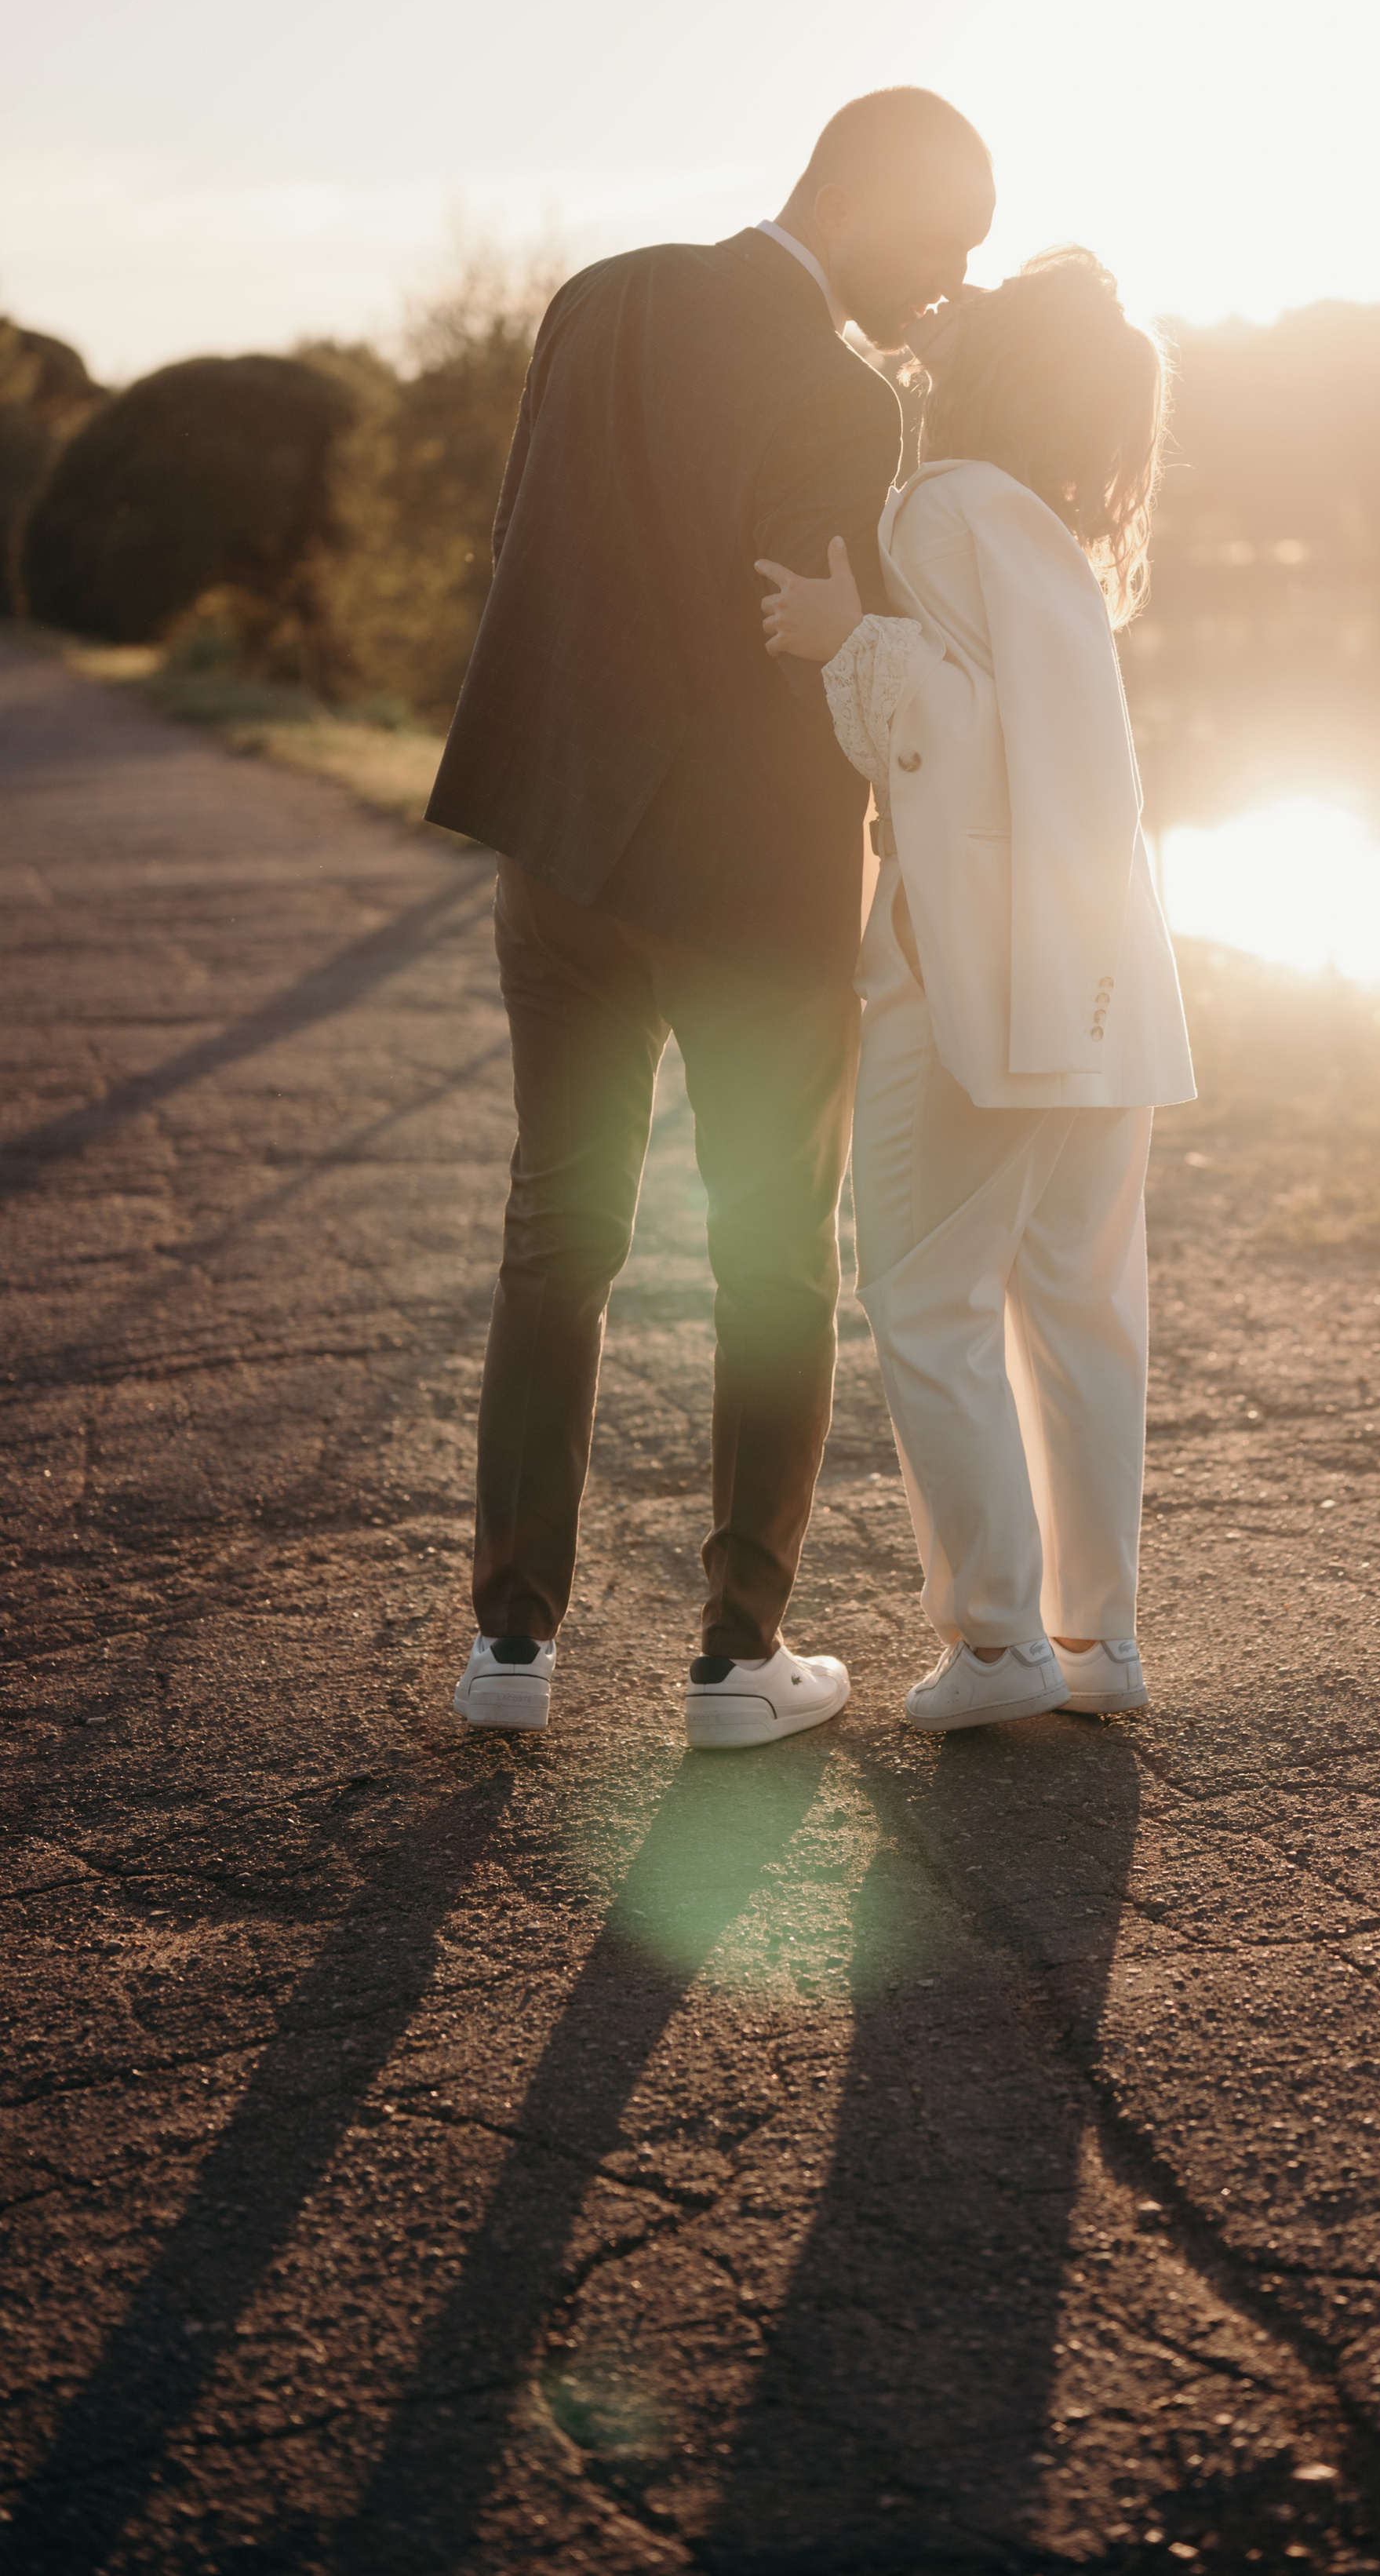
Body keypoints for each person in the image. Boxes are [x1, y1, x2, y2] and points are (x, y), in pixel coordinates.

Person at [431, 88, 996, 1744]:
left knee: (559, 1227)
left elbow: (521, 546)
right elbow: (799, 642)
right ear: (869, 201)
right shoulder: (835, 391)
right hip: (745, 891)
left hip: (558, 854)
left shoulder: (592, 300)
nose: (950, 283)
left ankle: (509, 1652)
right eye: (946, 242)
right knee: (769, 1258)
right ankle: (740, 1657)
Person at [756, 248, 1195, 1733]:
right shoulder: (1049, 531)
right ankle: (1098, 1642)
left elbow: (961, 735)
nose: (936, 324)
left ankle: (998, 1643)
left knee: (927, 1297)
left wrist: (846, 640)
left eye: (969, 317)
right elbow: (1063, 747)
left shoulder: (943, 508)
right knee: (1083, 1305)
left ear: (996, 364)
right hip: (1099, 973)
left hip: (978, 973)